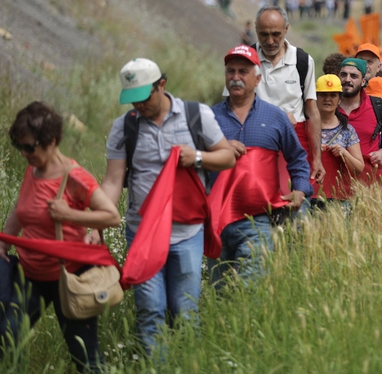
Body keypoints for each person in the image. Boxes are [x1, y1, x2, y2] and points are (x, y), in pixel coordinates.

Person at [100, 58, 235, 354]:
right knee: (150, 311)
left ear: (161, 85)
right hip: (143, 233)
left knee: (185, 311)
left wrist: (197, 157)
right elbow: (112, 182)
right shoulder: (124, 127)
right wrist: (95, 222)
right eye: (131, 100)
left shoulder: (196, 115)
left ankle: (189, 363)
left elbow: (227, 157)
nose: (138, 106)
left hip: (187, 233)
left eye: (143, 98)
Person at [0, 102, 121, 372]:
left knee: (85, 358)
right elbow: (21, 210)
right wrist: (4, 243)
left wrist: (70, 215)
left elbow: (111, 216)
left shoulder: (75, 177)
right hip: (30, 276)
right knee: (8, 338)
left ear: (51, 141)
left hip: (69, 278)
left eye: (29, 147)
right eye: (20, 146)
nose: (24, 153)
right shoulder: (33, 170)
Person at [208, 45, 312, 287]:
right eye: (230, 71)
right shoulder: (208, 118)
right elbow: (193, 161)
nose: (235, 77)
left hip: (258, 221)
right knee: (218, 291)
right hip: (215, 221)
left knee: (250, 290)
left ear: (257, 79)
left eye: (242, 72)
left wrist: (300, 189)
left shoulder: (275, 116)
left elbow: (297, 158)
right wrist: (217, 149)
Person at [252, 6, 324, 188]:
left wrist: (317, 159)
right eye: (263, 35)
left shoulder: (302, 61)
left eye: (276, 34)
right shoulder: (246, 60)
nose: (270, 41)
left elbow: (312, 112)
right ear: (255, 30)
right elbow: (233, 107)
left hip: (294, 140)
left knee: (296, 197)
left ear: (286, 29)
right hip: (256, 139)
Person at [337, 58, 382, 184]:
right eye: (343, 74)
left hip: (367, 185)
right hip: (333, 184)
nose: (347, 80)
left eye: (354, 76)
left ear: (363, 82)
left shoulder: (376, 105)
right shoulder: (328, 105)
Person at [313, 74, 364, 207]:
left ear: (340, 99)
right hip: (310, 197)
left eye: (333, 95)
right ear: (315, 97)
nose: (328, 99)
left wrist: (344, 153)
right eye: (323, 95)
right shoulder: (305, 128)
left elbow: (359, 168)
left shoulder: (347, 130)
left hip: (340, 198)